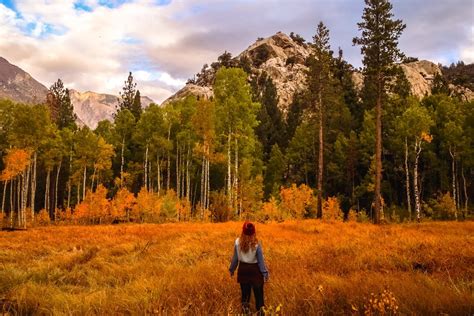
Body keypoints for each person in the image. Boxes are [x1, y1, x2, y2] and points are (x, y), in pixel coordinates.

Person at [229, 221, 269, 314]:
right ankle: (260, 314)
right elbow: (260, 261)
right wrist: (265, 273)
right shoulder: (256, 243)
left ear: (243, 231)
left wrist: (232, 269)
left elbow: (235, 258)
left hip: (243, 270)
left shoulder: (237, 242)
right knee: (259, 297)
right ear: (253, 232)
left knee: (245, 298)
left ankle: (245, 313)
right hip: (255, 271)